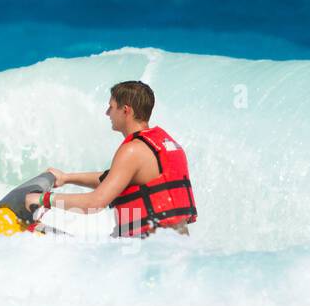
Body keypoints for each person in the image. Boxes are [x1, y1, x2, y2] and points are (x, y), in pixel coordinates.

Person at [24, 80, 198, 238]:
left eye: (111, 107)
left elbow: (95, 202)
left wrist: (42, 199)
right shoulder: (164, 145)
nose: (107, 113)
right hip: (174, 249)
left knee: (46, 239)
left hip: (150, 252)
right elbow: (112, 179)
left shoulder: (132, 150)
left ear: (125, 110)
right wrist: (67, 178)